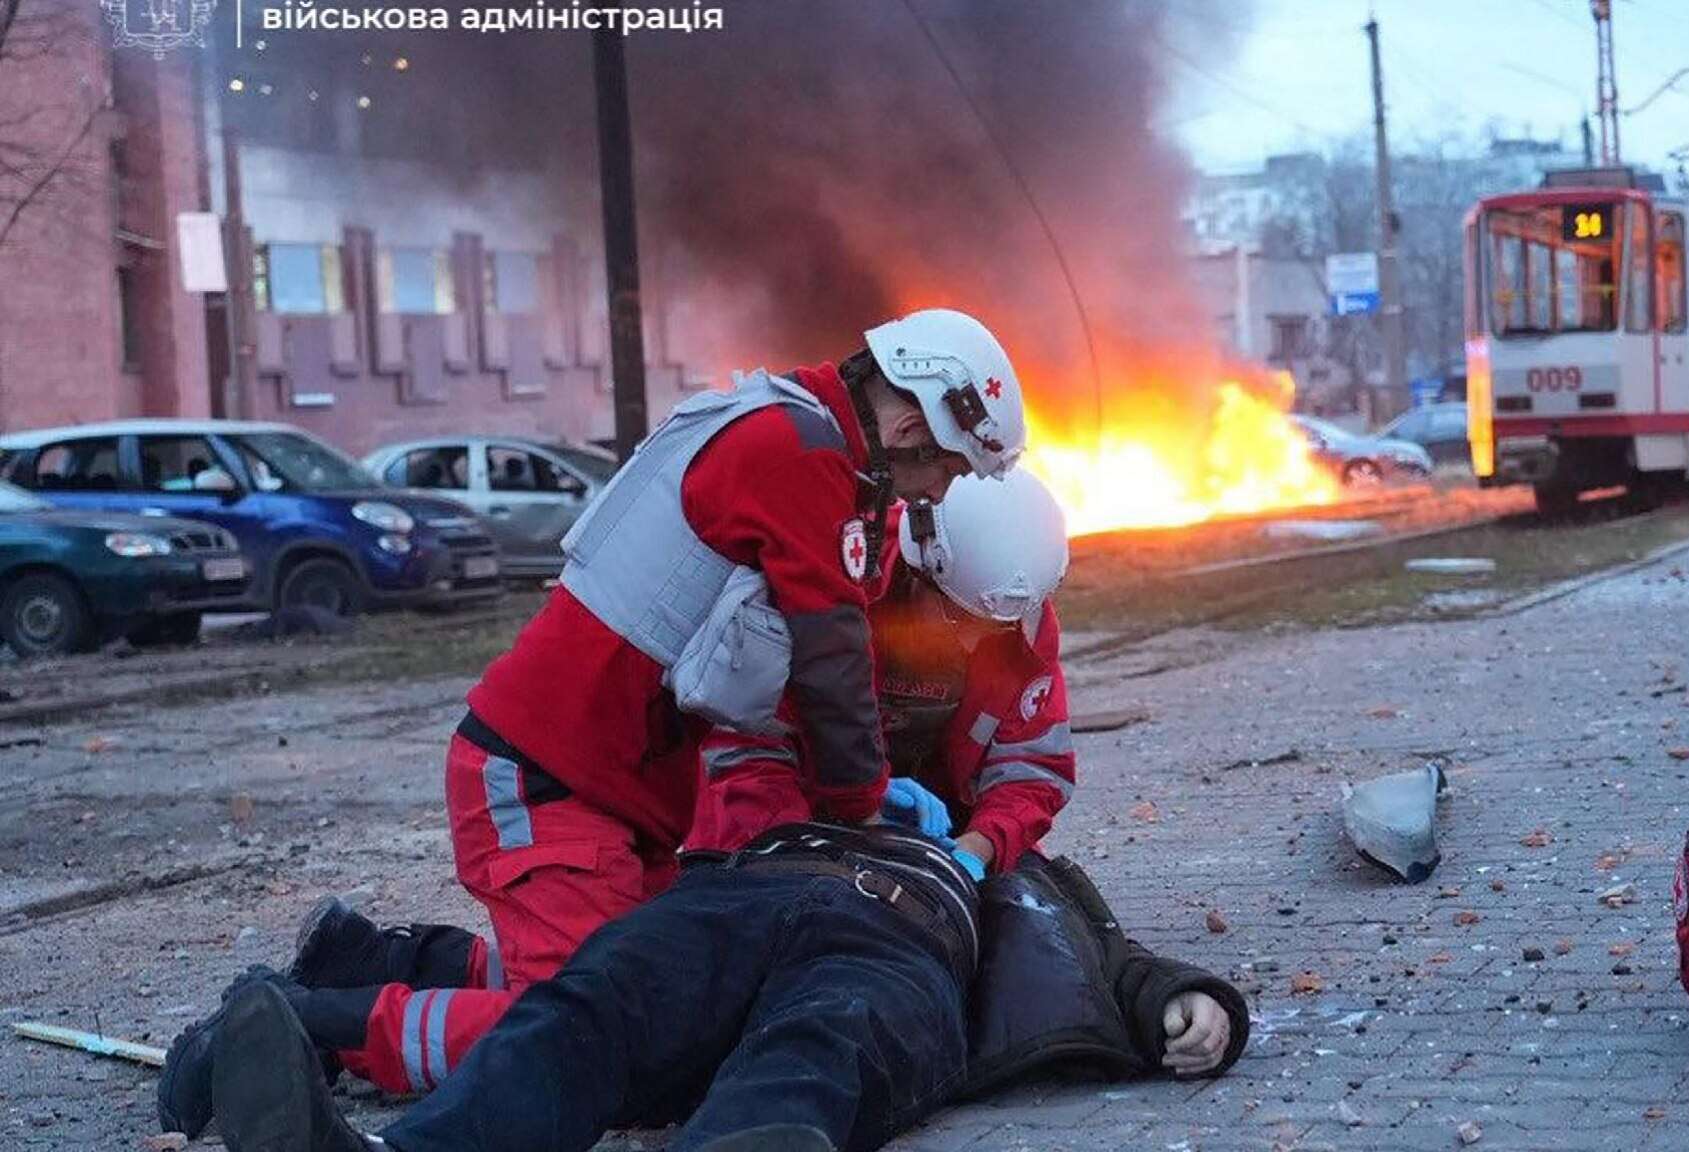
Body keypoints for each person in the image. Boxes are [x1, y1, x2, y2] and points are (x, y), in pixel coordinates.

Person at [156, 309, 1030, 1136]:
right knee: (587, 1033)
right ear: (917, 429)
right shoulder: (797, 454)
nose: (938, 492)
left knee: (666, 998)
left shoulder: (790, 434)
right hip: (549, 781)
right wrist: (863, 807)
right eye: (949, 472)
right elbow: (831, 658)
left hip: (607, 792)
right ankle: (306, 1028)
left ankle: (369, 962)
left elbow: (794, 674)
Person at [199, 823, 1248, 1152]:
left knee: (820, 1047)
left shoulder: (1012, 850)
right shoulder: (798, 752)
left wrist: (1179, 1000)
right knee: (588, 1010)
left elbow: (1101, 950)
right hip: (740, 899)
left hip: (899, 946)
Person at [690, 469, 1076, 879]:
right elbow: (746, 753)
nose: (971, 640)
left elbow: (1032, 769)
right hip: (790, 820)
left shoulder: (1012, 614)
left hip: (943, 838)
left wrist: (978, 849)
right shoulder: (824, 586)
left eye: (992, 627)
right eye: (957, 616)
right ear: (919, 572)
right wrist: (831, 828)